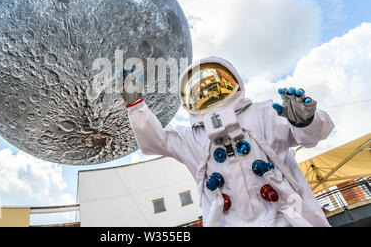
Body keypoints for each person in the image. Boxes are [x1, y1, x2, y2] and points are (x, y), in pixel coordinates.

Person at [121, 56, 334, 227]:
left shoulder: (262, 115)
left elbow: (310, 136)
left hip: (287, 219)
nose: (208, 92)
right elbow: (155, 140)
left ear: (232, 82)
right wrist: (136, 107)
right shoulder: (192, 138)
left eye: (214, 85)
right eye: (201, 90)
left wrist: (305, 121)